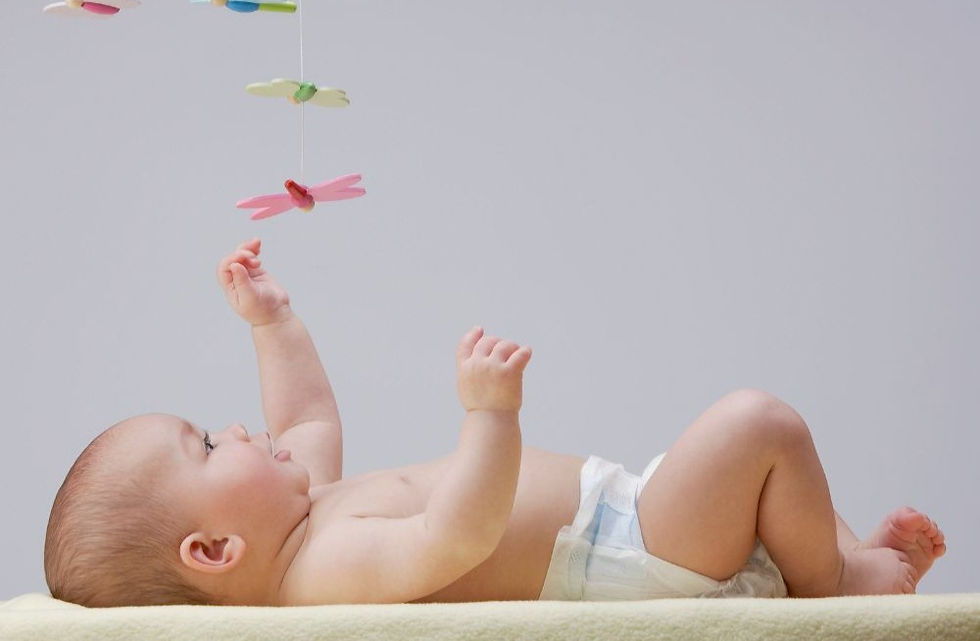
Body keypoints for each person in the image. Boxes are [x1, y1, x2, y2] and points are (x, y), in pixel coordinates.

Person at [43, 237, 947, 607]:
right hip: (624, 557)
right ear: (212, 552)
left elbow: (306, 412)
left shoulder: (298, 513)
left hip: (627, 516)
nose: (237, 428)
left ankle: (843, 556)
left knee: (765, 485)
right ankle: (841, 592)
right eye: (206, 443)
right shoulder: (324, 570)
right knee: (760, 426)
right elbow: (460, 532)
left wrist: (273, 323)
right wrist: (490, 418)